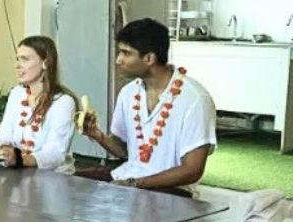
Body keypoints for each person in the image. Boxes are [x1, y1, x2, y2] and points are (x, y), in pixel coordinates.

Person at [79, 17, 216, 194]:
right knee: (72, 183)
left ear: (149, 58)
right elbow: (124, 150)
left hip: (172, 191)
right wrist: (98, 135)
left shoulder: (195, 99)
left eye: (126, 53)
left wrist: (136, 184)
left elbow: (192, 171)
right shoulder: (129, 92)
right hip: (128, 177)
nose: (118, 60)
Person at [0, 35, 77, 172]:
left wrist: (19, 159)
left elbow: (55, 154)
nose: (17, 65)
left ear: (46, 63)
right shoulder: (17, 94)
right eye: (17, 59)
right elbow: (5, 137)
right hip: (20, 175)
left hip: (53, 180)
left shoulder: (63, 102)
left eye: (25, 59)